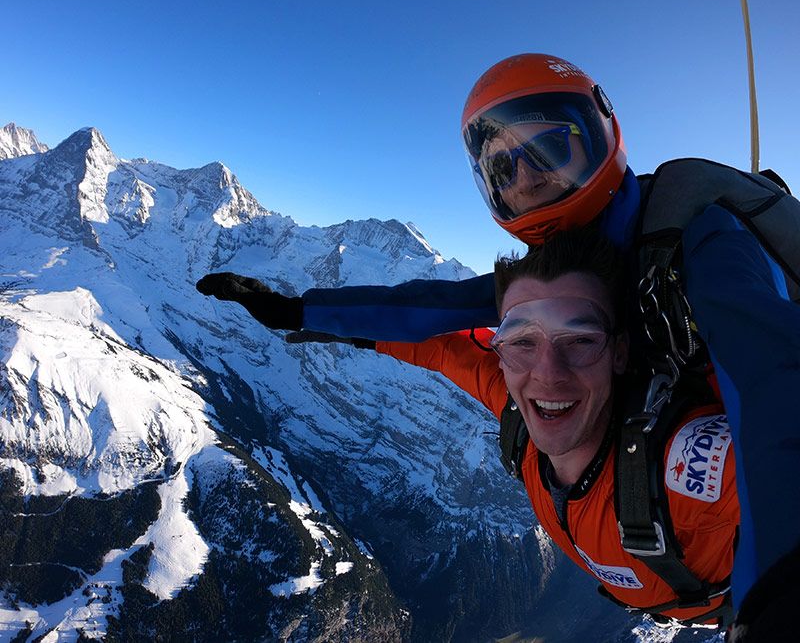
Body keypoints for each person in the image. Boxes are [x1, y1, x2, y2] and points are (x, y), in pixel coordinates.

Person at [196, 54, 800, 635]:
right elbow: (439, 321)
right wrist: (301, 312)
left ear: (600, 133)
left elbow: (771, 385)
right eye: (502, 167)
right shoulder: (544, 313)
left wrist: (772, 597)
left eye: (546, 147)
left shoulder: (703, 244)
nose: (528, 177)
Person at [372, 227, 738, 628]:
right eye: (522, 340)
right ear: (501, 352)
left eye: (579, 340)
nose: (546, 374)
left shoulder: (688, 466)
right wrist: (311, 313)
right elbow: (440, 348)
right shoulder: (516, 411)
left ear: (619, 353)